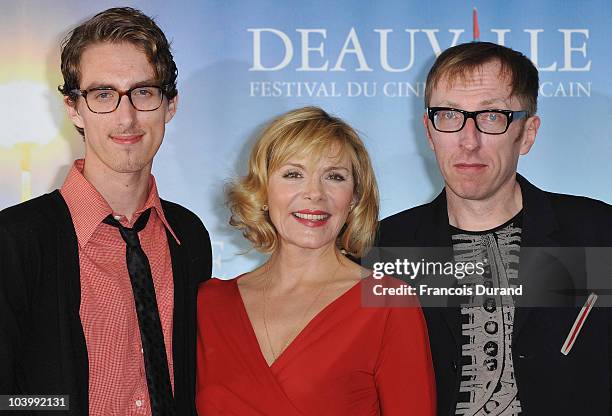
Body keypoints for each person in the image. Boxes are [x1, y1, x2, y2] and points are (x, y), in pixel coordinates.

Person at [377, 42, 612, 415]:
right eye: (449, 115)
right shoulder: (383, 249)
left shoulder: (598, 235)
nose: (468, 142)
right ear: (429, 130)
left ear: (528, 133)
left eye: (492, 117)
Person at [0, 7, 211, 415]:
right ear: (73, 108)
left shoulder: (188, 235)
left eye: (144, 92)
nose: (126, 116)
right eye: (103, 95)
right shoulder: (15, 240)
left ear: (170, 105)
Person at [196, 106, 435, 415]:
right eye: (293, 174)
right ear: (263, 191)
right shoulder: (209, 304)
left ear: (354, 199)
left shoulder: (388, 304)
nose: (315, 194)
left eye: (334, 177)